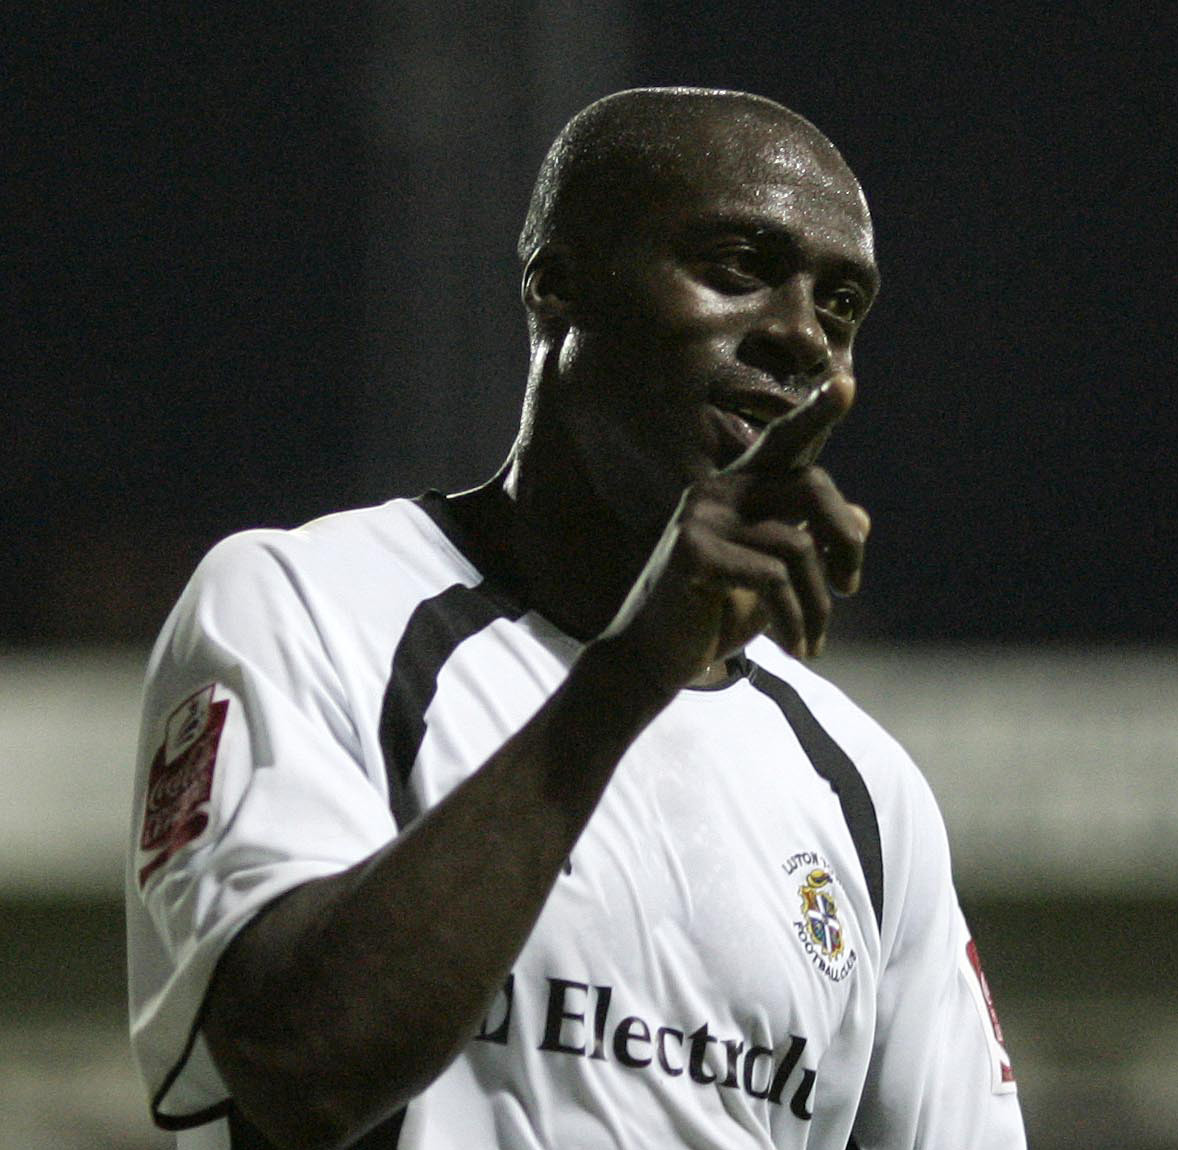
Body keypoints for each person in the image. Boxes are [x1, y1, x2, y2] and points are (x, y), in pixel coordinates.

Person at [126, 87, 1026, 1149]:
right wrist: (635, 668)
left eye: (840, 306)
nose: (798, 335)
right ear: (558, 285)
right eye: (739, 266)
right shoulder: (307, 603)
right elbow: (296, 1067)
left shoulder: (866, 790)